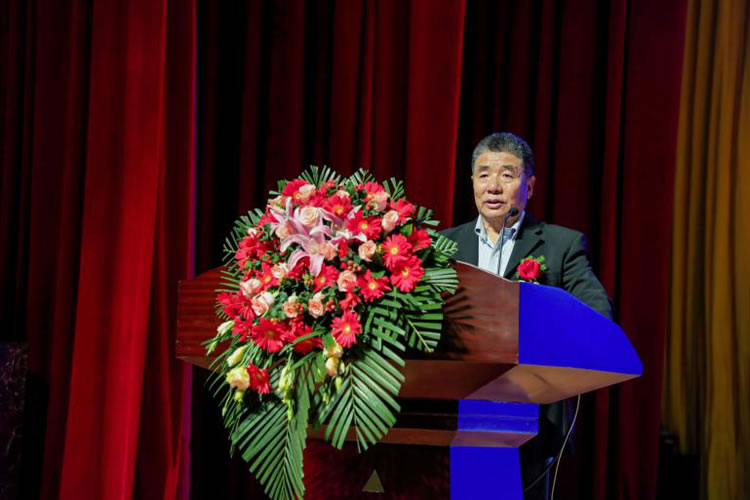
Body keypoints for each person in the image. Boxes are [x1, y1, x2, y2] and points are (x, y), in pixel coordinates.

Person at [441, 132, 613, 500]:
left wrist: (536, 322)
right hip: (453, 413)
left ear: (529, 186)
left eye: (507, 174)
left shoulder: (560, 245)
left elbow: (597, 313)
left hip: (530, 417)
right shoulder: (444, 246)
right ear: (472, 183)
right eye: (484, 174)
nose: (493, 186)